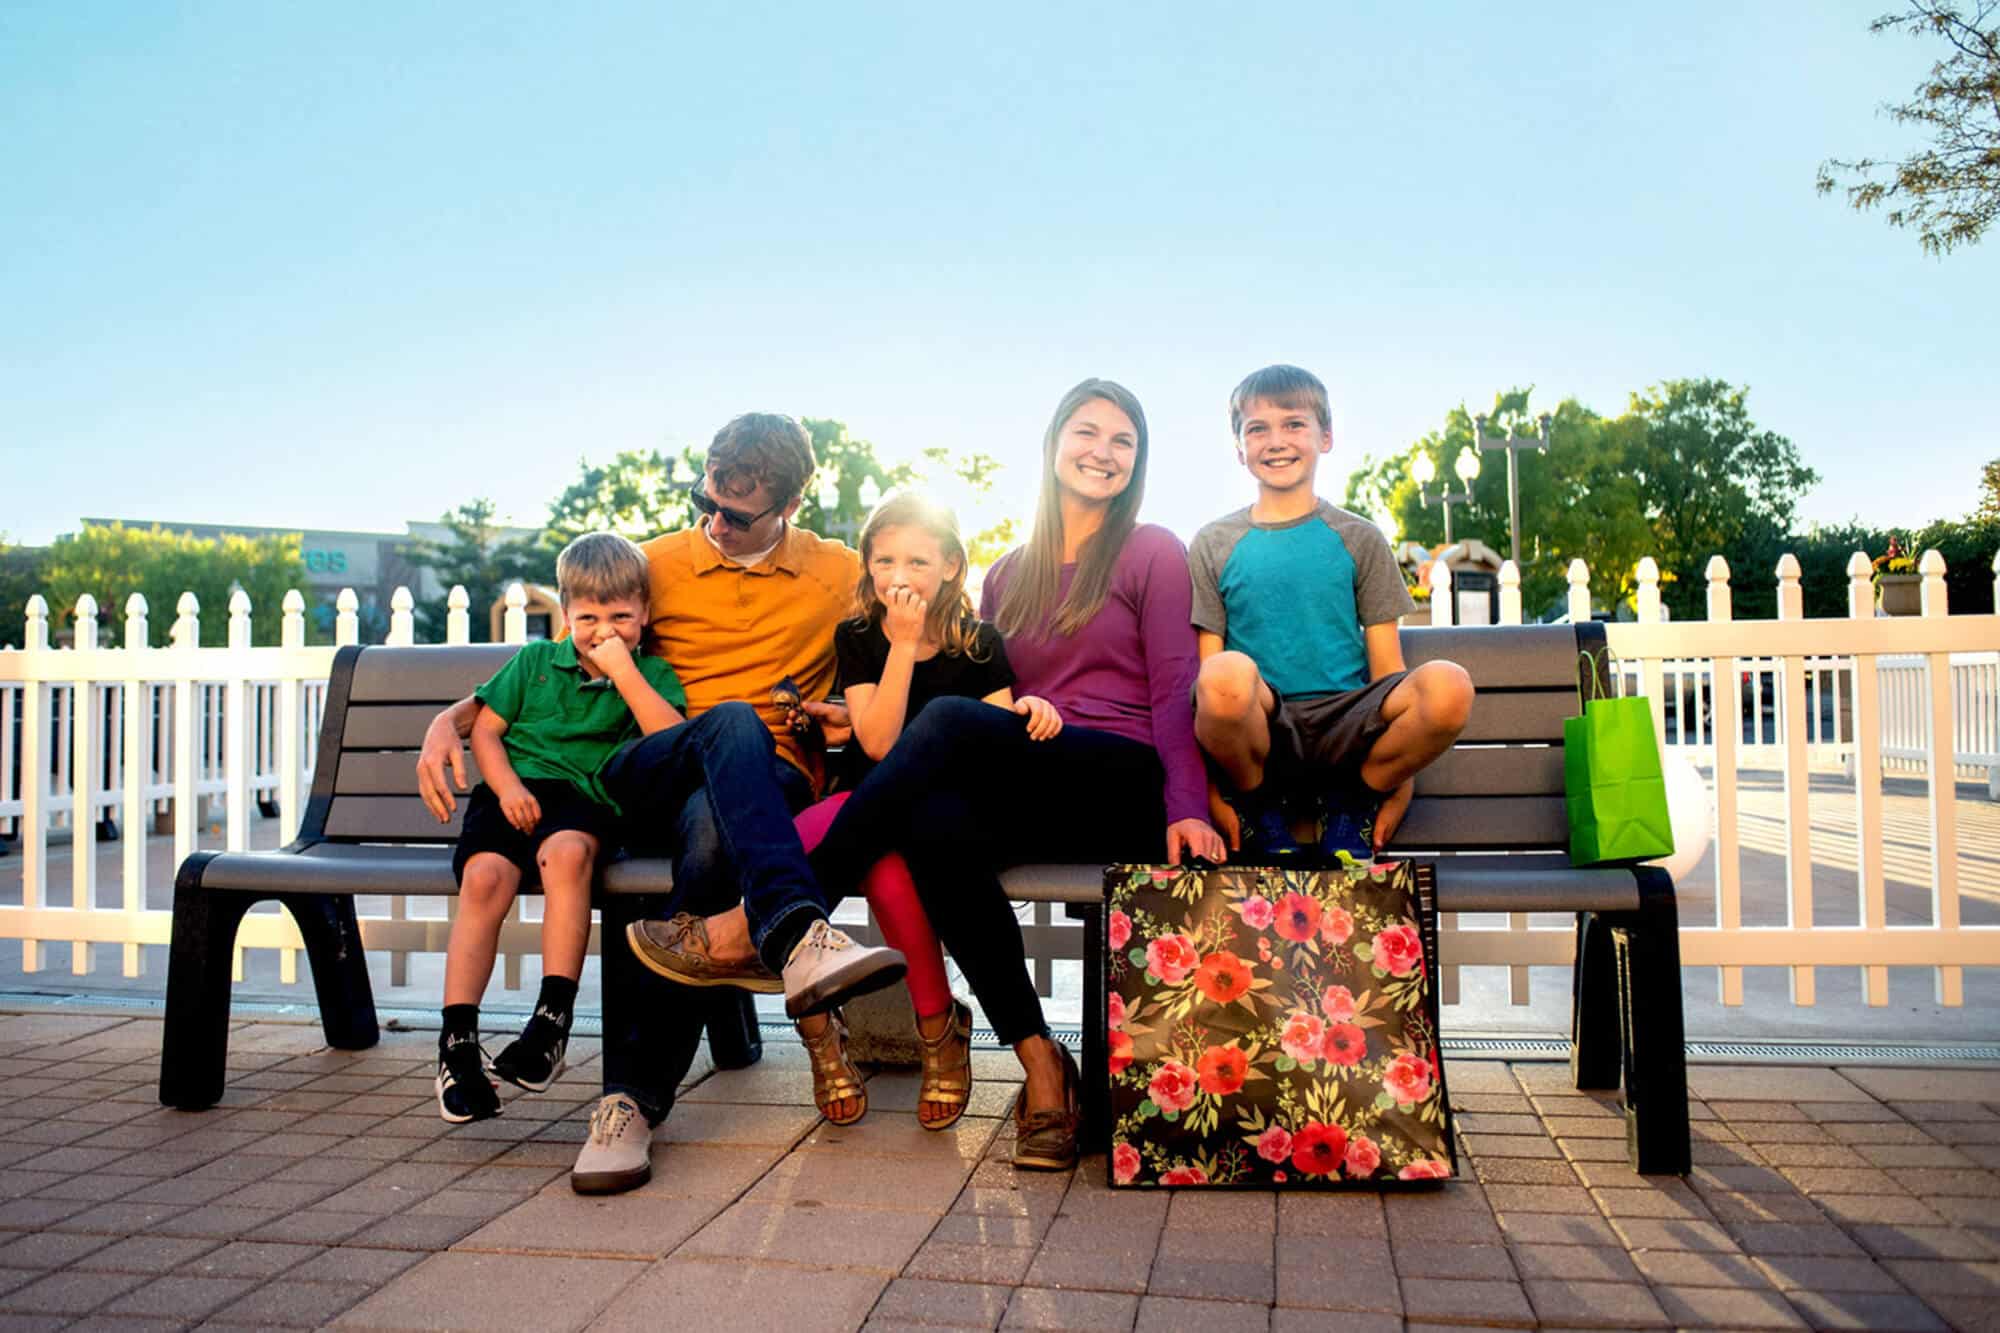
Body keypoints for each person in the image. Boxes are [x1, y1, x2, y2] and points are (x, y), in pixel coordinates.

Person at [416, 412, 904, 1194]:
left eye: (739, 514)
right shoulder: (659, 563)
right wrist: (452, 718)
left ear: (790, 505)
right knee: (730, 720)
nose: (715, 520)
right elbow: (558, 651)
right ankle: (798, 930)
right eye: (706, 496)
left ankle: (629, 1103)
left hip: (765, 779)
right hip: (651, 764)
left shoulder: (835, 572)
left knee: (713, 838)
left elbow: (927, 621)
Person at [801, 378, 1227, 1172]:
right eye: (1086, 432)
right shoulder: (1007, 574)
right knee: (932, 829)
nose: (1103, 451)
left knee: (950, 726)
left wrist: (1187, 803)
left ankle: (792, 911)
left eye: (1122, 440)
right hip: (1031, 768)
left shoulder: (1151, 550)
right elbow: (982, 692)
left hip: (1119, 776)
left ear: (1138, 461)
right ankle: (1040, 1065)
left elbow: (1176, 686)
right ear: (1053, 444)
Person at [629, 491, 1062, 1131]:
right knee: (786, 853)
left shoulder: (978, 643)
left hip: (930, 817)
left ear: (949, 566)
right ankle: (820, 1036)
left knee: (887, 868)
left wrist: (1033, 710)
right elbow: (877, 741)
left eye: (917, 560)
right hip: (858, 801)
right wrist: (900, 647)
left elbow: (987, 739)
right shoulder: (859, 637)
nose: (898, 576)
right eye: (883, 560)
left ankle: (938, 1027)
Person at [436, 532, 686, 1123]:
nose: (606, 630)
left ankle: (550, 1023)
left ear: (644, 614)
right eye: (589, 617)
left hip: (585, 798)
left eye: (622, 616)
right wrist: (508, 788)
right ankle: (457, 1044)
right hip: (512, 791)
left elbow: (673, 743)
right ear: (566, 616)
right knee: (485, 879)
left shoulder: (649, 673)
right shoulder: (534, 662)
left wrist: (624, 673)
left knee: (568, 857)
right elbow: (488, 731)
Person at [1189, 364, 1474, 862]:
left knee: (1450, 686)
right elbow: (1206, 684)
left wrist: (1399, 785)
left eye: (1294, 424)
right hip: (1265, 725)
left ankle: (1354, 801)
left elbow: (1388, 671)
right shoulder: (1213, 543)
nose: (1276, 440)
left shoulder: (1359, 537)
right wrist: (1211, 793)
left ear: (1326, 437)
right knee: (1223, 675)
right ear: (1239, 449)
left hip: (1349, 724)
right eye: (1258, 428)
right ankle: (1258, 808)